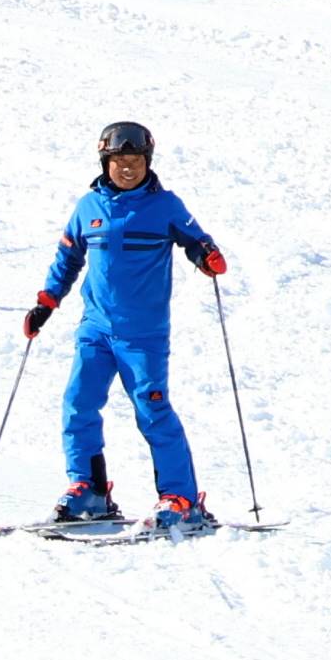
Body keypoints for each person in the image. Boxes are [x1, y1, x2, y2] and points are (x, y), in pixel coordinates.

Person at [24, 120, 228, 534]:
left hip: (144, 334)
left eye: (135, 161)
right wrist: (46, 302)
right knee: (78, 404)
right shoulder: (88, 207)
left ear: (147, 162)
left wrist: (206, 256)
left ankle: (181, 498)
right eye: (120, 161)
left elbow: (196, 240)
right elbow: (67, 260)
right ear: (106, 162)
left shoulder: (165, 205)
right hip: (95, 328)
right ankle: (89, 490)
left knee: (153, 410)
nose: (128, 169)